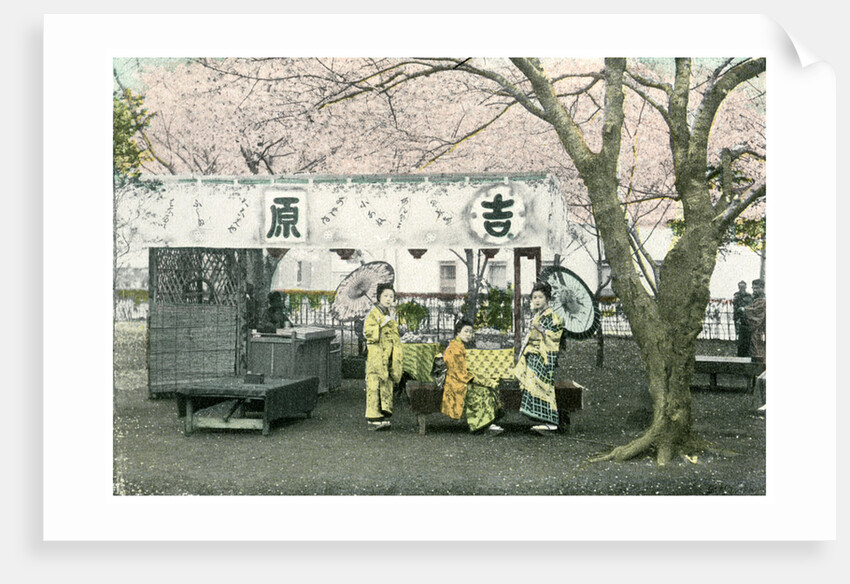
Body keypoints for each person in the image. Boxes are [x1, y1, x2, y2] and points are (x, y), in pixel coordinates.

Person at [514, 281, 564, 435]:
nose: (536, 300)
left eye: (540, 297)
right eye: (534, 297)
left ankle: (550, 421)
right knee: (527, 376)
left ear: (547, 299)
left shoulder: (553, 317)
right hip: (533, 353)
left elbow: (555, 337)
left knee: (537, 380)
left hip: (544, 356)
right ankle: (541, 418)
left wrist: (542, 330)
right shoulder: (538, 316)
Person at [440, 317, 504, 435]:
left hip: (458, 379)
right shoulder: (455, 349)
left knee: (486, 389)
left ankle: (487, 422)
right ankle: (481, 425)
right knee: (482, 391)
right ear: (458, 332)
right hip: (456, 383)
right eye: (466, 331)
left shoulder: (458, 346)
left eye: (470, 332)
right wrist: (479, 381)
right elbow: (459, 373)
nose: (469, 334)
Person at [363, 283, 403, 430]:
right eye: (385, 296)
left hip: (387, 353)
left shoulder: (387, 313)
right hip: (377, 352)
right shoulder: (373, 313)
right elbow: (368, 333)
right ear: (379, 297)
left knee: (385, 383)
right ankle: (373, 418)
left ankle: (382, 415)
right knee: (374, 383)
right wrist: (380, 325)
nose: (388, 299)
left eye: (391, 296)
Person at [732, 281, 753, 357]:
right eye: (740, 287)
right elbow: (734, 305)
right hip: (738, 317)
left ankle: (746, 352)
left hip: (747, 318)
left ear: (746, 287)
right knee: (738, 335)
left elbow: (750, 305)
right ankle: (740, 352)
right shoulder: (736, 295)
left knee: (747, 336)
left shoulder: (749, 296)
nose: (742, 288)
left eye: (743, 287)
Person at [747, 278, 766, 362]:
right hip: (756, 332)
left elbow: (756, 316)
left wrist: (745, 310)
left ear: (762, 288)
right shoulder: (755, 300)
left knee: (759, 354)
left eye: (757, 288)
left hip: (760, 332)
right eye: (753, 288)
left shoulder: (763, 301)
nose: (754, 290)